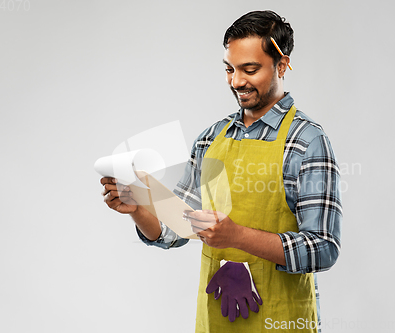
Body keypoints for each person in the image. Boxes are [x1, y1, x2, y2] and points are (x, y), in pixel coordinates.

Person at [101, 10, 341, 333]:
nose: (237, 81)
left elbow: (323, 247)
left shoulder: (306, 142)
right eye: (230, 69)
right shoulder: (213, 138)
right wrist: (138, 209)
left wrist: (237, 237)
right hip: (217, 322)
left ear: (282, 65)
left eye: (249, 69)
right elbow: (180, 225)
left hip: (281, 322)